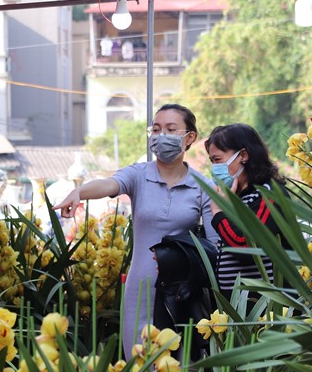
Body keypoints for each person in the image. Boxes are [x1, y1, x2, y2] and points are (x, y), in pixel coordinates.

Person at [55, 104, 219, 358]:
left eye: (171, 129)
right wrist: (79, 192)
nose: (161, 135)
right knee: (139, 364)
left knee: (183, 368)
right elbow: (110, 184)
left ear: (190, 138)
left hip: (182, 291)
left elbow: (215, 244)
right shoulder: (138, 175)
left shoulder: (202, 186)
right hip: (140, 286)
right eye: (156, 129)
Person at [205, 123, 288, 303]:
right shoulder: (236, 198)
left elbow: (245, 246)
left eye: (218, 160)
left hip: (265, 310)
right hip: (236, 310)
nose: (214, 168)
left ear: (243, 155)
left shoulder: (269, 194)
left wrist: (219, 213)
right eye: (212, 161)